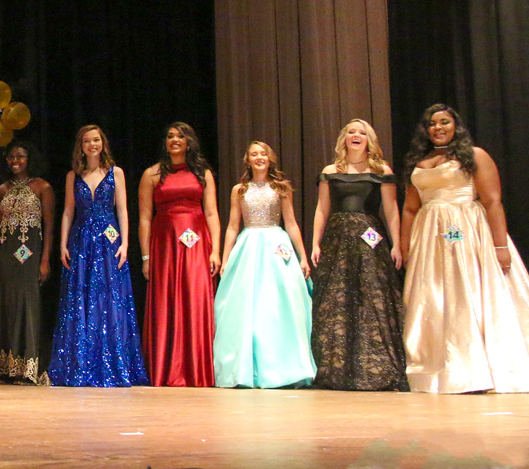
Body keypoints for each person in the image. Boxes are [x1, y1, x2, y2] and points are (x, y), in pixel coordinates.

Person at [401, 104, 529, 394]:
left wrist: (500, 246)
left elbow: (492, 201)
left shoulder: (474, 155)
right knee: (434, 299)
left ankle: (474, 367)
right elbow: (409, 208)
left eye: (444, 122)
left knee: (466, 292)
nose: (438, 127)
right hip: (429, 241)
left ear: (455, 125)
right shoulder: (419, 162)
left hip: (467, 233)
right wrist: (406, 246)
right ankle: (440, 364)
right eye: (432, 123)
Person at [308, 119, 407, 391]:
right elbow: (321, 209)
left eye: (362, 132)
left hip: (370, 241)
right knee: (337, 300)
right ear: (344, 138)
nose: (356, 135)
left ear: (369, 139)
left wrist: (397, 244)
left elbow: (391, 210)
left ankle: (374, 367)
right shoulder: (331, 171)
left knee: (371, 298)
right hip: (338, 240)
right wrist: (315, 242)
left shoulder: (381, 170)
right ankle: (336, 368)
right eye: (351, 131)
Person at [47, 125, 147, 387]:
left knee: (109, 298)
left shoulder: (116, 173)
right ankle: (81, 364)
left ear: (103, 143)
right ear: (80, 146)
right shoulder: (73, 176)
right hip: (81, 241)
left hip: (108, 239)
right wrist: (63, 244)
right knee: (80, 299)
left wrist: (125, 243)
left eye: (96, 140)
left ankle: (111, 363)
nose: (92, 145)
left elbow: (123, 210)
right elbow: (68, 212)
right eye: (87, 141)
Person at [212, 141, 315, 388]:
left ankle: (283, 367)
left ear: (270, 159)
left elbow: (291, 223)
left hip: (276, 246)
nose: (259, 157)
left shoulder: (281, 188)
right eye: (254, 154)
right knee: (247, 304)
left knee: (279, 302)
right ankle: (247, 368)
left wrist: (302, 256)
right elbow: (232, 226)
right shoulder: (239, 190)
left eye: (263, 154)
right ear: (247, 160)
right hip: (249, 246)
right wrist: (226, 257)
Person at [137, 122, 222, 387]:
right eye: (170, 136)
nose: (175, 140)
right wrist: (146, 257)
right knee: (167, 301)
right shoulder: (151, 174)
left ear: (188, 142)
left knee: (196, 300)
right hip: (165, 246)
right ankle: (167, 368)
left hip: (197, 244)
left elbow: (211, 213)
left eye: (181, 136)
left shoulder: (203, 173)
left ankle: (197, 369)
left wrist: (216, 251)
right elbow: (145, 219)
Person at [0, 140, 54, 385]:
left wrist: (45, 259)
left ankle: (29, 368)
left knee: (28, 305)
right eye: (11, 157)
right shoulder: (2, 189)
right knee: (8, 305)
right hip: (7, 254)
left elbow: (49, 227)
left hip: (30, 254)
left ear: (29, 159)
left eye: (20, 156)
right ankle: (7, 367)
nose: (15, 161)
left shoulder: (42, 187)